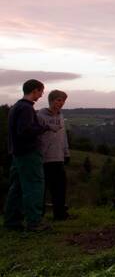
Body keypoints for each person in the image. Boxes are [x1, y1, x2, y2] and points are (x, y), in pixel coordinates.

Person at [4, 79, 59, 232]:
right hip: (28, 153)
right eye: (41, 91)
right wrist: (44, 128)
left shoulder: (17, 106)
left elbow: (21, 129)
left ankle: (12, 222)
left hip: (17, 154)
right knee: (34, 186)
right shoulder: (26, 108)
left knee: (17, 188)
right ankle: (34, 223)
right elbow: (25, 131)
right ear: (34, 90)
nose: (41, 95)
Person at [38, 89, 71, 220]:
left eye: (63, 100)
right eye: (58, 100)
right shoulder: (40, 116)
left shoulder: (61, 117)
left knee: (60, 187)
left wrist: (66, 152)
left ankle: (60, 214)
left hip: (58, 157)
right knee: (42, 189)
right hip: (44, 158)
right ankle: (38, 216)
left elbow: (63, 137)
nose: (61, 103)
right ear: (51, 100)